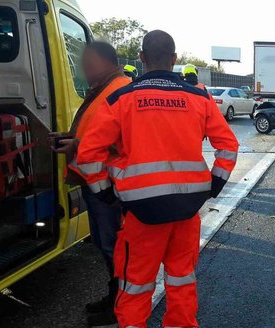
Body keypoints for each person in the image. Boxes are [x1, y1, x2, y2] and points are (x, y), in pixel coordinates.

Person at [76, 30, 239, 328]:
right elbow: (228, 146)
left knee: (135, 285)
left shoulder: (121, 98)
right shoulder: (199, 97)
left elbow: (88, 154)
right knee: (181, 280)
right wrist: (215, 183)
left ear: (141, 58)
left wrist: (104, 193)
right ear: (175, 60)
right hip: (187, 211)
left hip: (141, 213)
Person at [50, 41, 131, 326]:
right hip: (94, 181)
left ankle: (120, 305)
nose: (84, 68)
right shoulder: (101, 89)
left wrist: (77, 144)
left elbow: (122, 139)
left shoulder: (119, 89)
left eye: (89, 62)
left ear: (106, 61)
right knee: (104, 243)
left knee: (113, 246)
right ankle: (115, 298)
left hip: (107, 185)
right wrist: (72, 140)